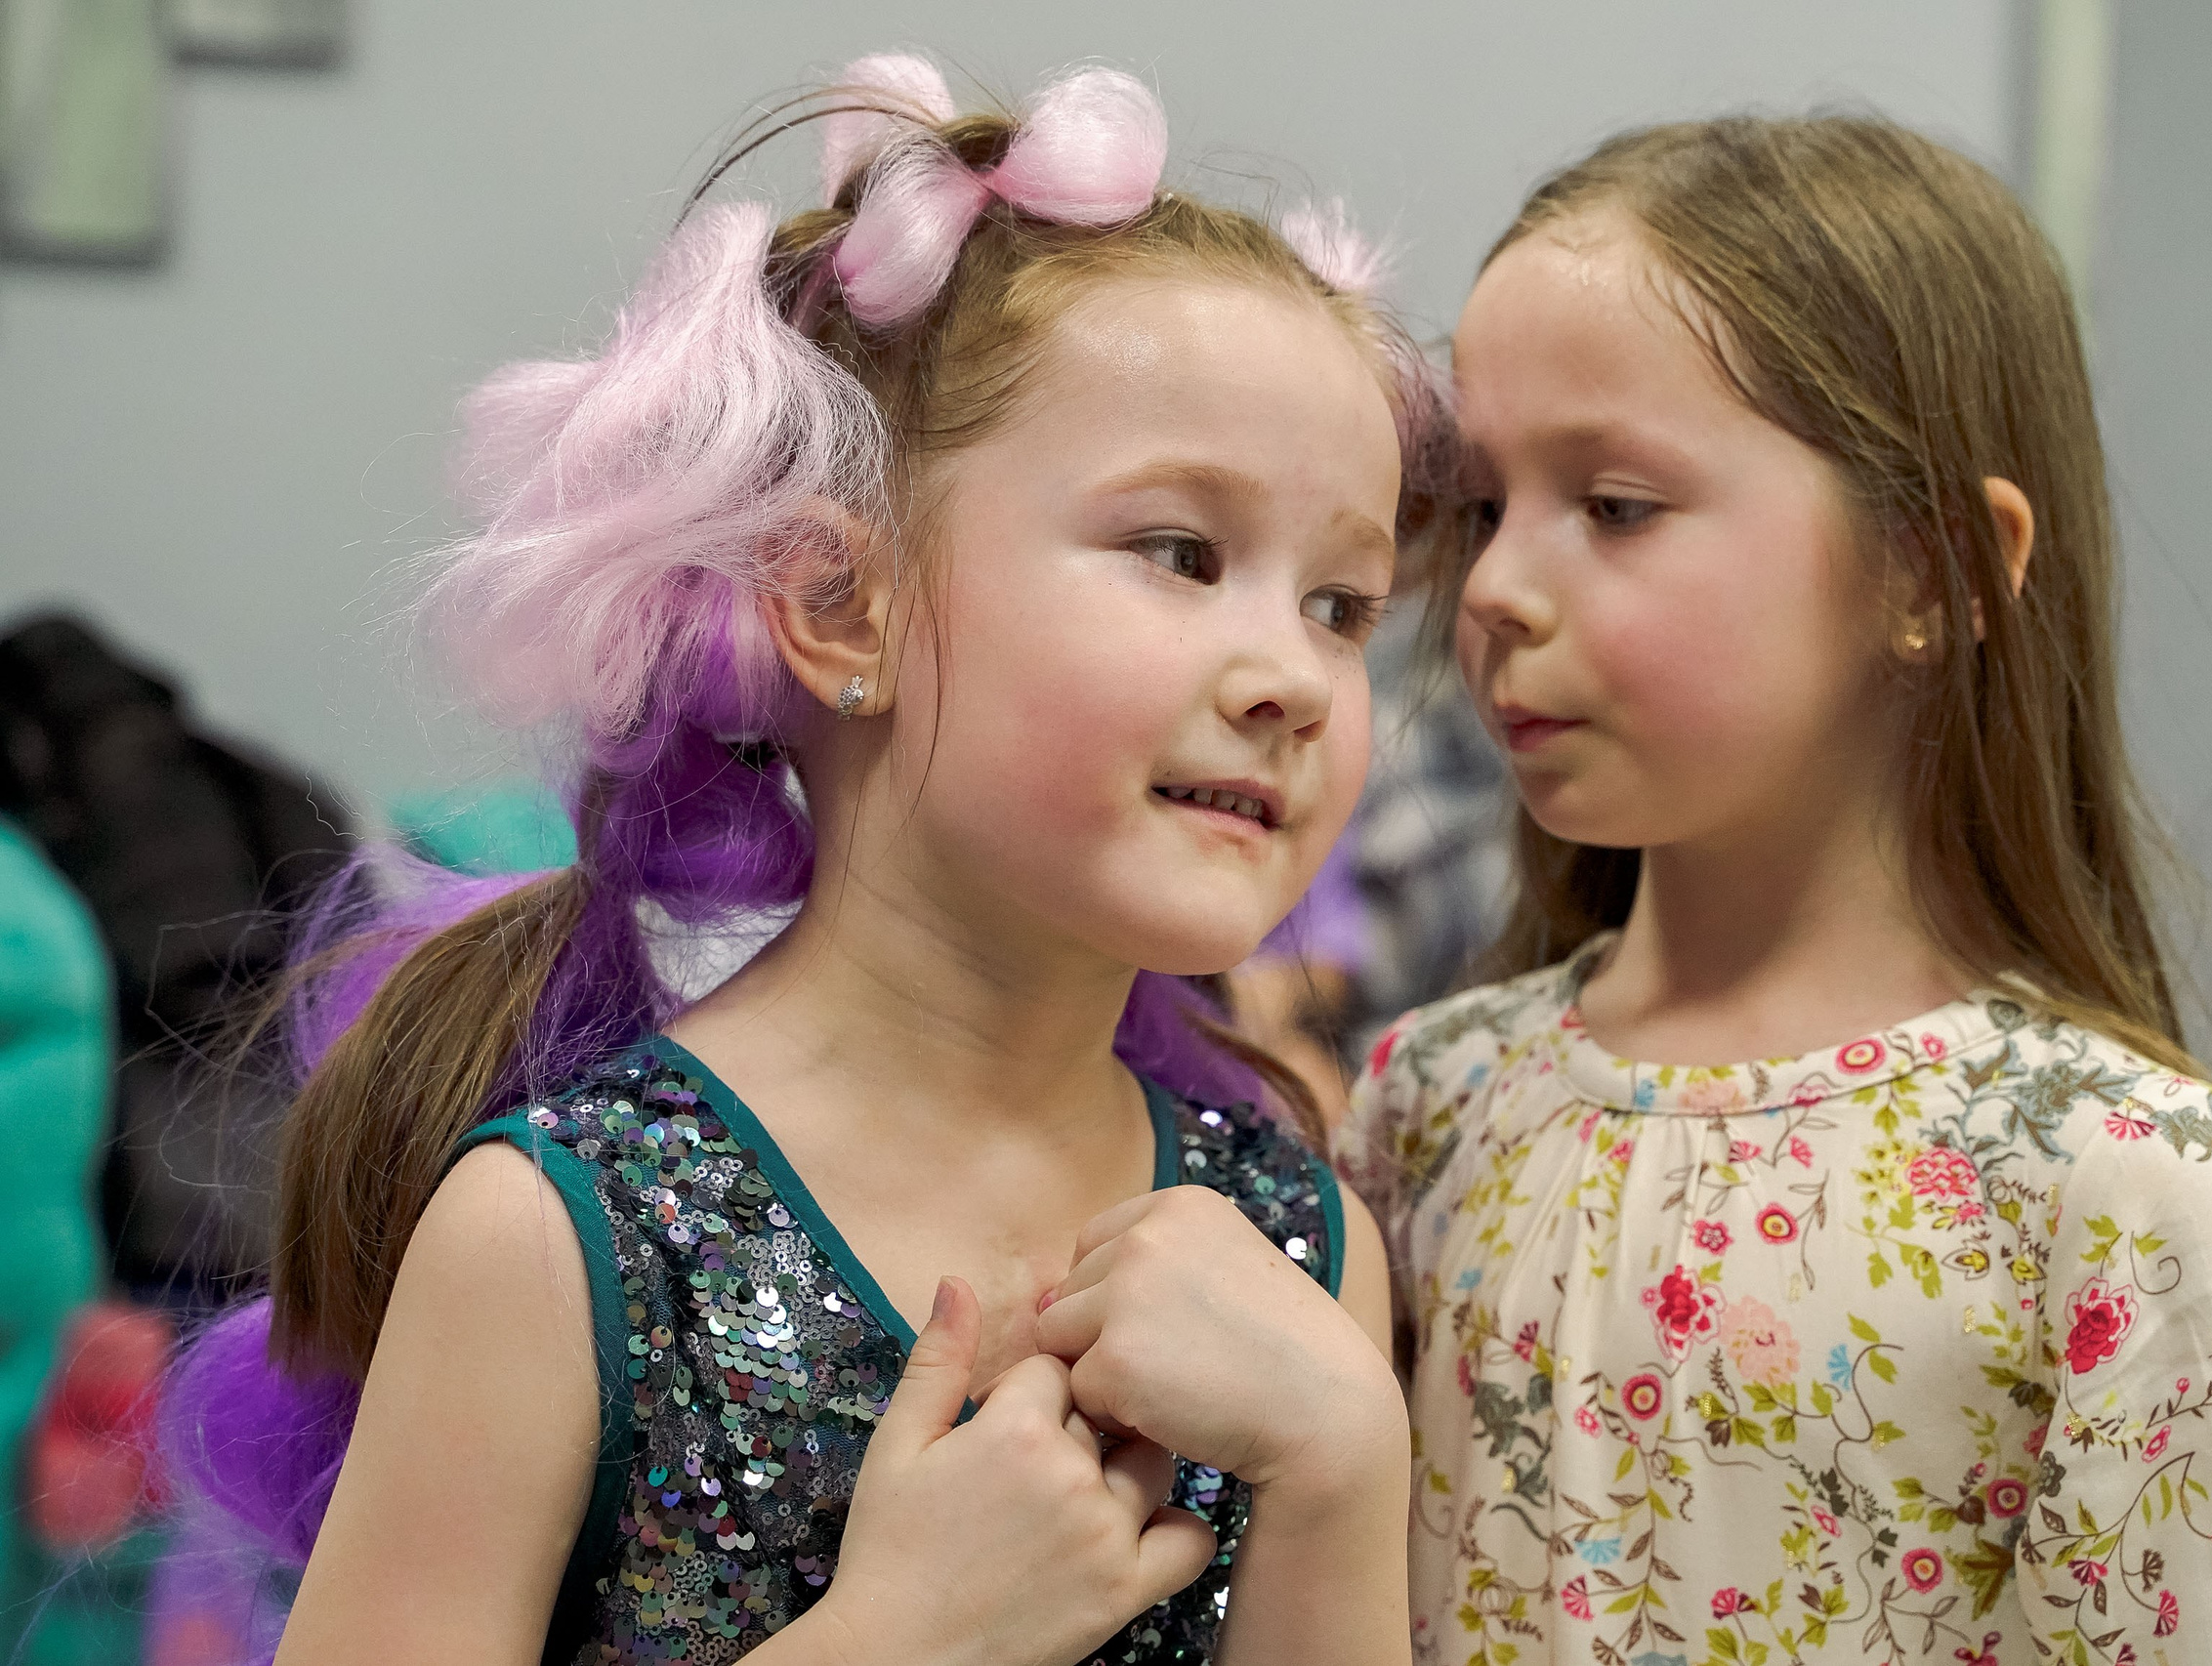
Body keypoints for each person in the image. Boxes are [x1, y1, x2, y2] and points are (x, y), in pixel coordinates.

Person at [164, 54, 1436, 1666]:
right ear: (841, 606)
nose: (1294, 677)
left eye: (1343, 606)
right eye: (1182, 551)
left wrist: (1337, 1464)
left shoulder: (1302, 1244)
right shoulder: (567, 1234)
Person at [1338, 117, 2212, 1665]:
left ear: (1932, 575)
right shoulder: (1423, 1112)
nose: (1501, 588)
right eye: (1481, 505)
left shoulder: (2112, 1192)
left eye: (1615, 504)